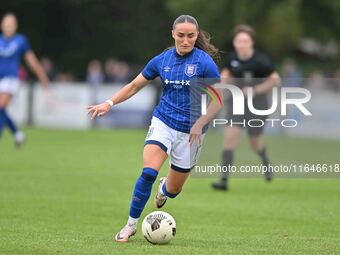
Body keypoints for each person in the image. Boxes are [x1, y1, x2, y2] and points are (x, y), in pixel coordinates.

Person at [88, 15, 222, 243]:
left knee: (174, 189)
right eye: (181, 35)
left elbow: (219, 99)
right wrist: (108, 103)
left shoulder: (204, 62)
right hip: (164, 122)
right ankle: (130, 225)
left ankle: (164, 190)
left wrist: (200, 123)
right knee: (148, 171)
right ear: (173, 34)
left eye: (191, 36)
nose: (186, 40)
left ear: (196, 36)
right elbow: (133, 86)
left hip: (192, 132)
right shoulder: (162, 60)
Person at [212, 25, 280, 191]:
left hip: (258, 105)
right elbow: (225, 77)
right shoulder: (232, 59)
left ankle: (265, 161)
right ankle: (224, 180)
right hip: (237, 104)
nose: (242, 43)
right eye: (239, 40)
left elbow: (275, 80)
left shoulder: (261, 60)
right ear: (235, 43)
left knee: (254, 141)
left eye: (245, 40)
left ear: (251, 42)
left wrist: (254, 90)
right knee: (230, 138)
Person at [0, 13, 49, 146]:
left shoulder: (20, 41)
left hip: (11, 80)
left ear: (15, 26)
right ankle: (17, 133)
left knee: (0, 107)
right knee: (2, 110)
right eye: (6, 23)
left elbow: (31, 61)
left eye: (11, 23)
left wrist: (42, 77)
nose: (8, 26)